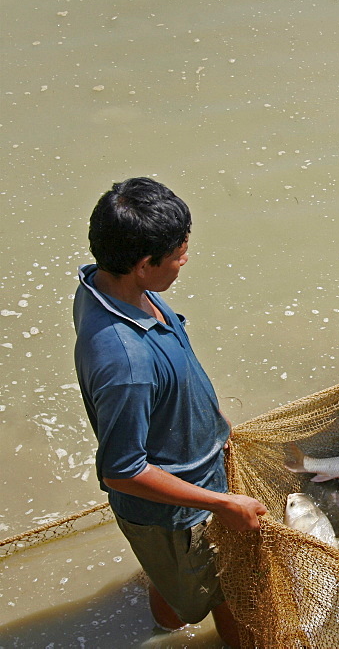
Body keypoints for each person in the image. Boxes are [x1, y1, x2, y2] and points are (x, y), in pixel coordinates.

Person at [73, 178, 266, 648]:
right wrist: (225, 503)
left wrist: (213, 416)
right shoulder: (125, 364)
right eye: (179, 256)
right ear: (143, 265)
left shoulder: (102, 284)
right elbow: (121, 471)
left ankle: (167, 627)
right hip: (177, 510)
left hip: (184, 484)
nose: (183, 263)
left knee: (169, 576)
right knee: (230, 593)